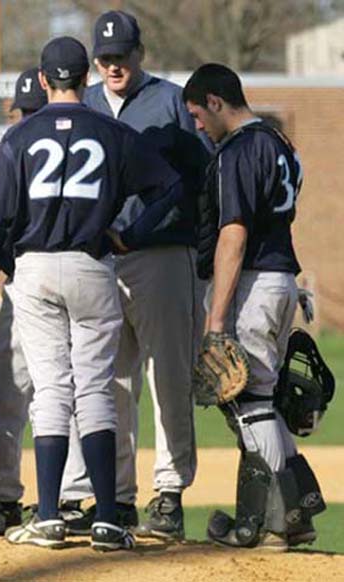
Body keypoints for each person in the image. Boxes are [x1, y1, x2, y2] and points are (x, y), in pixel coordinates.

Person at [0, 36, 184, 551]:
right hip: (93, 263)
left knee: (51, 390)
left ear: (43, 80)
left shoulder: (20, 135)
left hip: (35, 268)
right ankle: (108, 519)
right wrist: (133, 234)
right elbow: (169, 187)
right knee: (96, 389)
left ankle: (50, 516)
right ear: (87, 77)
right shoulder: (112, 131)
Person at [59, 10, 208, 540]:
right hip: (100, 262)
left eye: (121, 55)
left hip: (162, 255)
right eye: (104, 58)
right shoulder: (86, 103)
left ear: (140, 53)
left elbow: (199, 178)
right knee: (110, 382)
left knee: (168, 377)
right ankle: (118, 497)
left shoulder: (170, 100)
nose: (112, 65)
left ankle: (169, 493)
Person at [182, 63, 325, 550]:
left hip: (253, 283)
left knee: (251, 405)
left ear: (216, 102)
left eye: (198, 113)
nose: (198, 124)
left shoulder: (239, 150)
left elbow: (234, 236)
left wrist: (216, 322)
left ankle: (277, 523)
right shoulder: (280, 144)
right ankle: (293, 515)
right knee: (264, 400)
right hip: (281, 278)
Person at [0, 67, 46, 536]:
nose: (26, 120)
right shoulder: (15, 149)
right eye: (23, 113)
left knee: (59, 399)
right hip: (18, 286)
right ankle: (6, 501)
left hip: (57, 283)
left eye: (35, 111)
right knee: (4, 396)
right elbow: (4, 225)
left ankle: (66, 499)